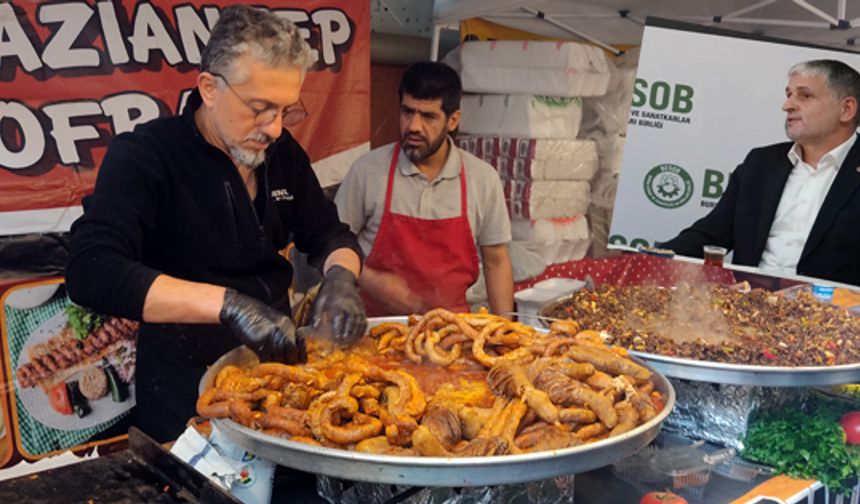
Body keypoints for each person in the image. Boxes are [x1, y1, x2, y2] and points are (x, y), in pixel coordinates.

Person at [65, 6, 366, 443]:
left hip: (277, 374)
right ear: (209, 88)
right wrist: (230, 305)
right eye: (260, 109)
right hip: (182, 388)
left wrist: (341, 277)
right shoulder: (147, 155)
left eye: (285, 110)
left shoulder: (282, 154)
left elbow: (330, 234)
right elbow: (92, 271)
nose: (274, 129)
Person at [659, 59, 860, 286]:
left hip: (833, 306)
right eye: (789, 95)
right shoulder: (761, 163)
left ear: (846, 109)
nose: (787, 105)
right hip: (749, 301)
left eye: (804, 96)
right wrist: (650, 258)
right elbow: (711, 234)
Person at [335, 62, 514, 316]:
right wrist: (370, 280)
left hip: (453, 330)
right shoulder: (367, 171)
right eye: (407, 112)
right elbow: (333, 247)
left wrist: (505, 329)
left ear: (453, 120)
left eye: (428, 116)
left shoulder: (482, 179)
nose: (413, 126)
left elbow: (496, 261)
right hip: (371, 327)